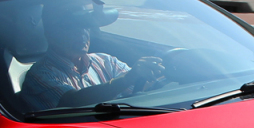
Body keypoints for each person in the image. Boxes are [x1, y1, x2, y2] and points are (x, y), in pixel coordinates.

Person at [20, 8, 164, 111]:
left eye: (85, 26)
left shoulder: (106, 61)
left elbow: (141, 85)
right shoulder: (40, 74)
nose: (81, 32)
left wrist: (162, 73)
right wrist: (127, 79)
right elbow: (73, 102)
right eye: (71, 27)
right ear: (50, 34)